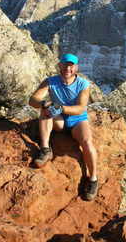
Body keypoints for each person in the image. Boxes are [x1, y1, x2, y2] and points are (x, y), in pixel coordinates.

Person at [29, 53, 98, 201]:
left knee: (87, 143)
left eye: (71, 65)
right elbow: (33, 99)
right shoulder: (50, 82)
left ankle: (93, 179)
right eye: (65, 64)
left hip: (77, 120)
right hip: (58, 120)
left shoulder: (83, 85)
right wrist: (43, 104)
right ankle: (45, 149)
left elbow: (80, 108)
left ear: (76, 68)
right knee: (45, 110)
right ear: (60, 66)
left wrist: (61, 108)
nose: (68, 68)